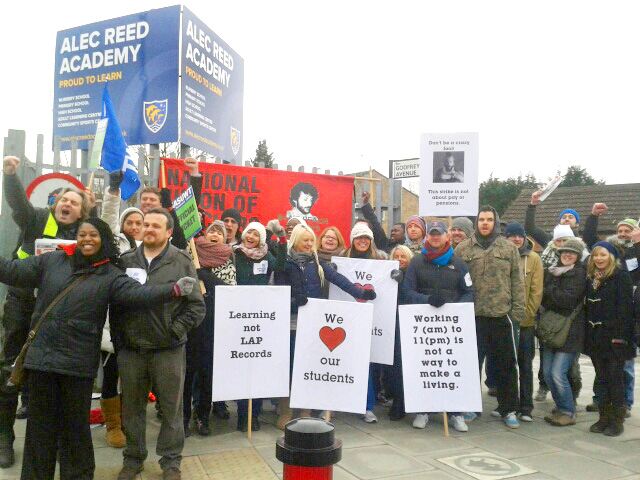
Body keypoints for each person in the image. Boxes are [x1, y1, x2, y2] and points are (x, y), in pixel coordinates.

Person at [0, 217, 195, 479]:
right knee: (39, 430)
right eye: (82, 234)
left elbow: (138, 295)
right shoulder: (52, 261)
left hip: (77, 365)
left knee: (75, 431)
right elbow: (12, 271)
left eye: (94, 234)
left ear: (103, 239)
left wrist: (171, 290)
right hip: (42, 361)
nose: (87, 239)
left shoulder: (111, 274)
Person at [0, 155, 94, 468]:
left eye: (75, 202)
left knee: (42, 373)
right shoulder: (38, 218)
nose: (68, 204)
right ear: (56, 204)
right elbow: (18, 205)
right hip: (23, 302)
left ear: (82, 212)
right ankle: (4, 437)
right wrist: (11, 177)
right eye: (64, 199)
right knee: (9, 369)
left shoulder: (85, 236)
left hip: (55, 314)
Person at [116, 208, 205, 480]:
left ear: (168, 232)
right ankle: (133, 459)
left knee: (171, 410)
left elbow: (196, 307)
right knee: (131, 409)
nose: (149, 229)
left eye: (156, 225)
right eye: (146, 224)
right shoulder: (126, 260)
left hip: (168, 350)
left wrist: (174, 331)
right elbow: (117, 301)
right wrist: (121, 338)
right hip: (132, 350)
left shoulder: (181, 261)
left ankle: (170, 463)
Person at [275, 224, 375, 429]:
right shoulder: (285, 263)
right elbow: (277, 291)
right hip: (291, 323)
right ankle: (285, 411)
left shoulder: (317, 262)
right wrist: (295, 301)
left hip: (313, 324)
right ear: (296, 240)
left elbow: (338, 280)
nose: (310, 244)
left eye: (311, 240)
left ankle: (305, 411)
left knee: (309, 367)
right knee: (289, 368)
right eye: (305, 240)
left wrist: (360, 293)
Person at [455, 205, 525, 429]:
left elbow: (517, 281)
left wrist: (517, 313)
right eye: (481, 219)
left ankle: (509, 409)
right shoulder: (463, 248)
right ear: (476, 223)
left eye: (489, 219)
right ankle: (469, 407)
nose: (485, 223)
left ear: (495, 222)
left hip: (501, 315)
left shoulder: (508, 248)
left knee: (506, 366)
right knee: (469, 365)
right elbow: (455, 280)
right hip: (472, 317)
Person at [403, 221, 474, 432]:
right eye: (432, 234)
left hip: (451, 327)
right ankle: (423, 410)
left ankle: (455, 412)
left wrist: (456, 309)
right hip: (424, 326)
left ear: (446, 237)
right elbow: (407, 291)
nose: (435, 237)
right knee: (426, 367)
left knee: (451, 368)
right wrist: (426, 300)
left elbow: (469, 292)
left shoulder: (459, 264)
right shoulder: (416, 262)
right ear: (428, 237)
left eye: (439, 234)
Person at [99, 171, 145, 448]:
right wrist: (113, 193)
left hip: (139, 322)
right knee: (112, 370)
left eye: (140, 222)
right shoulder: (115, 243)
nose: (136, 226)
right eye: (131, 221)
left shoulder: (149, 247)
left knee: (135, 376)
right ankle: (112, 424)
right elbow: (107, 221)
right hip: (113, 320)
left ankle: (129, 420)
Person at [233, 220, 287, 432]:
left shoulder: (266, 255)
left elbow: (280, 265)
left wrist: (282, 239)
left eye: (256, 235)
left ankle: (253, 414)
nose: (251, 237)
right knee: (240, 367)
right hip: (238, 315)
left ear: (261, 239)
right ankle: (241, 415)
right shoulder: (235, 254)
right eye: (249, 233)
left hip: (260, 316)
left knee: (256, 366)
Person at [184, 221, 236, 437]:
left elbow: (230, 292)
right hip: (190, 324)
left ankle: (203, 416)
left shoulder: (228, 262)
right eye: (212, 230)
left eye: (220, 232)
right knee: (187, 374)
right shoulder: (190, 256)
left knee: (207, 374)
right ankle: (183, 418)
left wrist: (205, 277)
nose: (216, 234)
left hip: (214, 326)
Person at [585, 242, 635, 436]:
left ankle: (617, 420)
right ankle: (603, 417)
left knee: (616, 379)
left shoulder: (620, 276)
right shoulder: (592, 278)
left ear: (611, 257)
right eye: (596, 255)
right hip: (596, 339)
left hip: (615, 339)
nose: (599, 259)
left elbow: (625, 311)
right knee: (602, 379)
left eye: (603, 255)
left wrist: (620, 338)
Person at [540, 238, 586, 426]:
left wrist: (549, 292)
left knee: (558, 373)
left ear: (578, 256)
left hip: (571, 331)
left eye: (572, 253)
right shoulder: (552, 272)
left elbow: (566, 301)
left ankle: (568, 411)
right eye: (564, 252)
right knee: (548, 373)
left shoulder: (580, 275)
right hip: (553, 329)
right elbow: (546, 300)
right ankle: (560, 408)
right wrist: (552, 295)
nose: (567, 255)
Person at [342, 223, 386, 422]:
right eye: (358, 237)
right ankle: (337, 402)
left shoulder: (381, 260)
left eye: (366, 238)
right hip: (347, 320)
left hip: (371, 321)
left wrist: (396, 277)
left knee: (365, 364)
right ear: (352, 240)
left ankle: (367, 406)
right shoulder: (342, 259)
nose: (362, 241)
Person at [503, 223, 543, 423]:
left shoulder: (534, 258)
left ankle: (526, 406)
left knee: (525, 366)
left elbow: (536, 292)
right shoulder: (502, 256)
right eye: (512, 236)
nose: (516, 239)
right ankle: (507, 404)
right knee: (507, 365)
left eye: (520, 236)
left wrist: (525, 316)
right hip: (504, 321)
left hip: (525, 323)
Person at [388, 245, 413, 421]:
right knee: (395, 365)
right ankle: (398, 400)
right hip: (392, 323)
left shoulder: (413, 274)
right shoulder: (387, 274)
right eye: (395, 256)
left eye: (403, 256)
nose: (399, 259)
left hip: (410, 322)